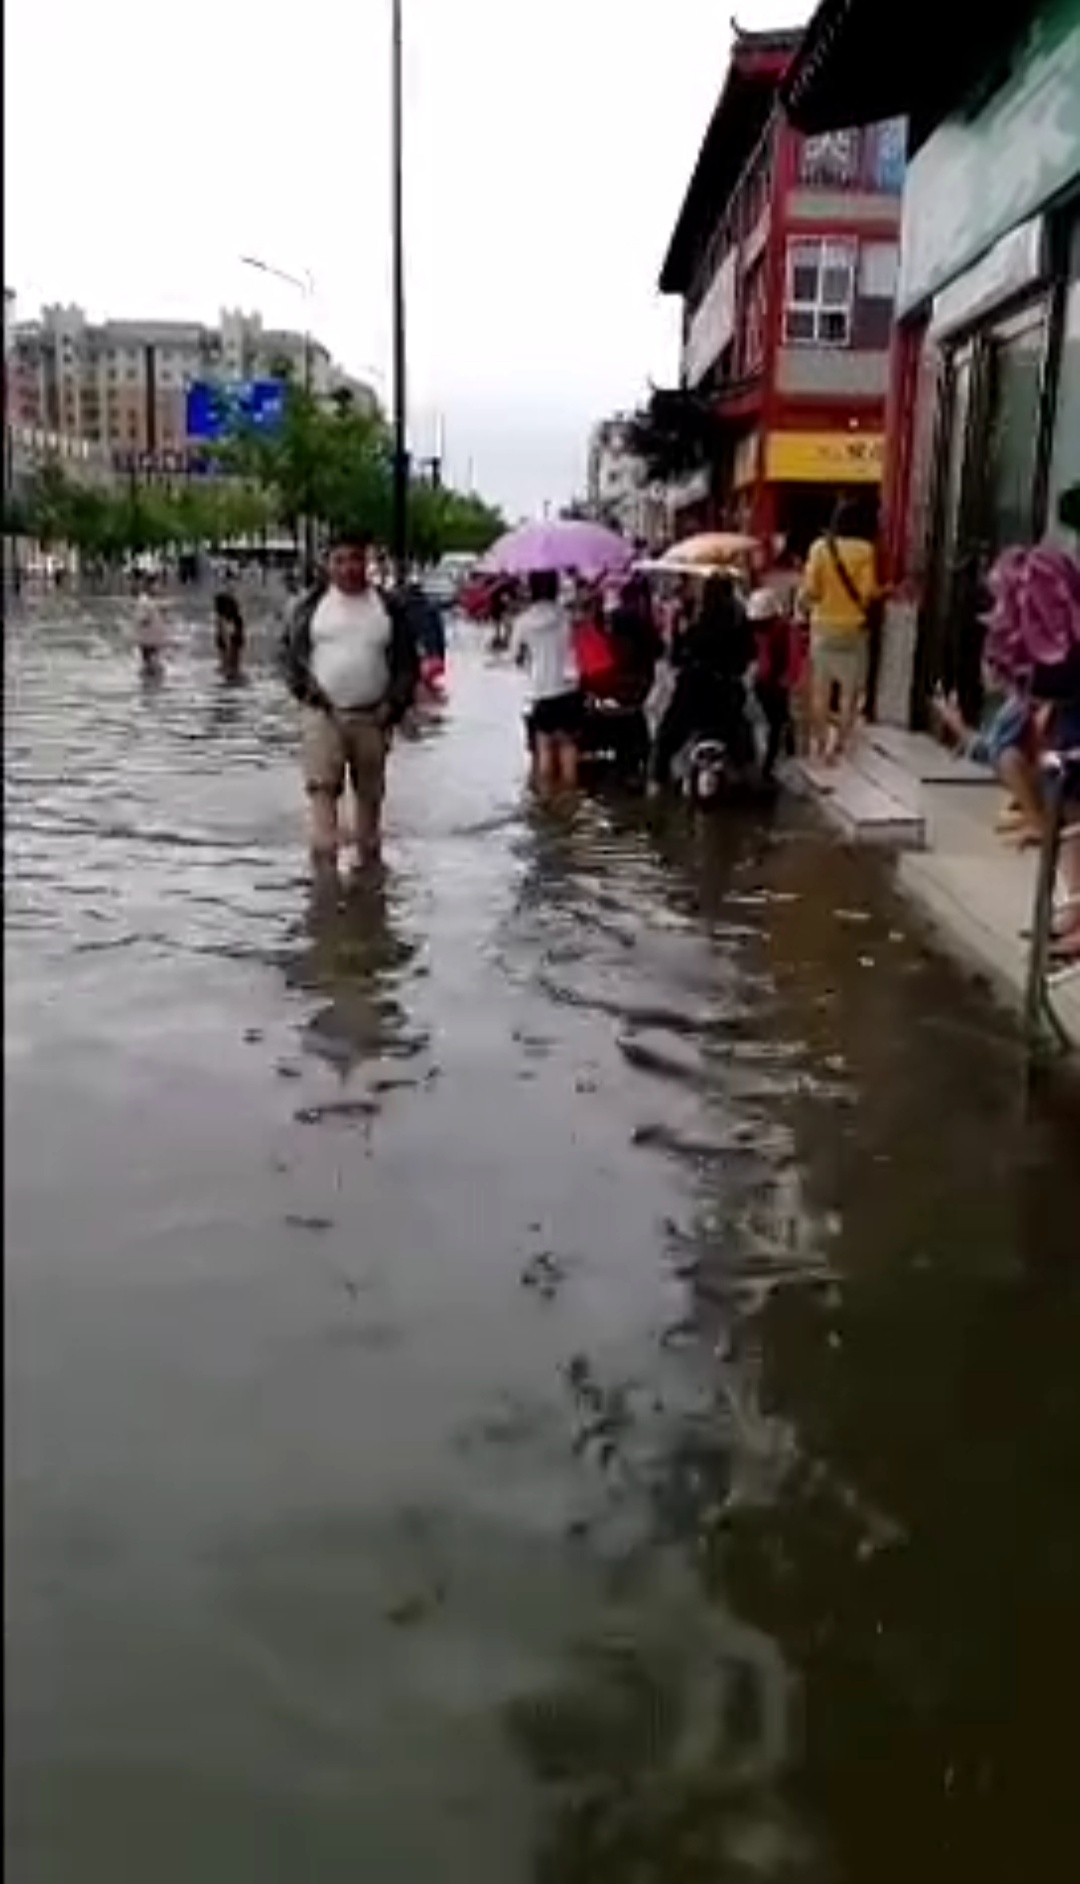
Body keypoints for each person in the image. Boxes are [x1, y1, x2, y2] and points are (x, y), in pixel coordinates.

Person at [279, 530, 420, 872]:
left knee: (369, 806)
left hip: (373, 716)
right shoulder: (308, 607)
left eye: (355, 559)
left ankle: (369, 881)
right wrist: (305, 691)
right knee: (322, 792)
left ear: (367, 561)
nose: (348, 567)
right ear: (328, 564)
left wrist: (393, 706)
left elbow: (407, 664)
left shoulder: (388, 607)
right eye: (339, 560)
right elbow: (288, 656)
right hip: (322, 713)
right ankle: (324, 883)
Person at [652, 572, 755, 788]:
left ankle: (656, 780)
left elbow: (676, 657)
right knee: (741, 730)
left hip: (694, 691)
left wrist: (678, 631)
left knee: (667, 736)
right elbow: (748, 656)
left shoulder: (697, 624)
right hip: (726, 693)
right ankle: (746, 772)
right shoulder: (739, 622)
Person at [801, 499, 880, 764]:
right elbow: (867, 593)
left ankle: (820, 744)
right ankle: (842, 746)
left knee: (821, 691)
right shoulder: (866, 550)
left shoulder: (819, 549)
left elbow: (811, 591)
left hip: (823, 629)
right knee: (849, 691)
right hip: (853, 630)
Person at [511, 568, 582, 793]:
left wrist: (527, 659)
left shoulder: (523, 621)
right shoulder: (566, 616)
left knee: (544, 747)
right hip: (568, 688)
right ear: (555, 587)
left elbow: (515, 656)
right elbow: (575, 646)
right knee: (568, 745)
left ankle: (546, 799)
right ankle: (570, 797)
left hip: (541, 690)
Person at [133, 577, 166, 675]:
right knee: (151, 665)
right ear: (149, 586)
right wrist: (149, 617)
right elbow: (142, 619)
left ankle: (149, 678)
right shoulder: (144, 601)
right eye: (156, 585)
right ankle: (148, 679)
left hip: (153, 639)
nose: (158, 587)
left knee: (153, 665)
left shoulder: (150, 601)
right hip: (148, 640)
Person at [213, 589, 245, 681]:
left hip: (234, 637)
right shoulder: (221, 618)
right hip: (231, 636)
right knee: (228, 653)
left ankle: (231, 669)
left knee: (232, 653)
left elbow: (237, 632)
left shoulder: (235, 618)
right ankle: (230, 669)